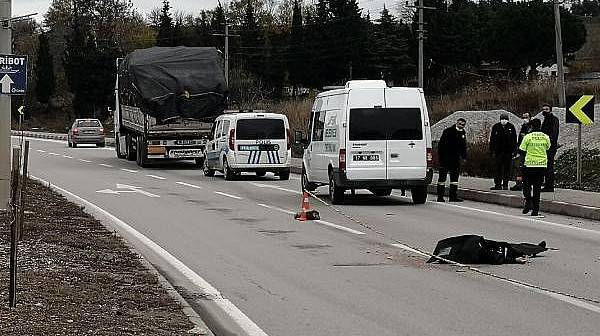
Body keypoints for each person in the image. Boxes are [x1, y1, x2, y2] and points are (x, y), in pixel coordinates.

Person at [519, 118, 551, 217]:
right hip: (541, 165)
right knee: (537, 188)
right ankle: (536, 210)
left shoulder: (528, 137)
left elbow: (521, 150)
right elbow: (548, 148)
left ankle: (528, 200)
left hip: (529, 164)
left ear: (531, 126)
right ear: (540, 126)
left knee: (526, 185)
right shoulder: (545, 137)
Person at [437, 118, 468, 202]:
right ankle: (440, 197)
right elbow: (441, 145)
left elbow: (463, 147)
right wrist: (441, 157)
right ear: (456, 123)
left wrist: (464, 157)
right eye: (460, 124)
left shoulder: (462, 133)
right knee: (442, 179)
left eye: (463, 124)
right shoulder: (448, 131)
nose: (461, 126)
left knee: (454, 179)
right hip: (445, 159)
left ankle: (453, 196)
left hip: (455, 159)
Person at [489, 113, 517, 190]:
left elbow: (514, 140)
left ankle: (505, 184)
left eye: (505, 119)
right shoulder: (496, 127)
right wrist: (491, 150)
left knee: (507, 169)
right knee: (498, 168)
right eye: (502, 119)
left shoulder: (511, 127)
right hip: (498, 152)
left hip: (508, 152)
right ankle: (497, 184)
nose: (503, 120)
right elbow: (492, 139)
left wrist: (514, 150)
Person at [510, 112, 533, 191]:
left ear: (530, 117)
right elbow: (520, 139)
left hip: (529, 151)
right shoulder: (523, 127)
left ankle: (527, 184)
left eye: (526, 117)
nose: (525, 119)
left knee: (527, 168)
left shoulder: (532, 127)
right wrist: (517, 149)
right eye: (523, 117)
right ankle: (519, 184)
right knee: (519, 168)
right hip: (522, 150)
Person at [540, 103, 559, 192]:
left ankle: (550, 186)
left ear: (550, 110)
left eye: (546, 109)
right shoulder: (545, 119)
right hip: (544, 147)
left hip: (550, 147)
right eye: (543, 109)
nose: (544, 111)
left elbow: (554, 133)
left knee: (549, 166)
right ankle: (547, 185)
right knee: (545, 166)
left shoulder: (554, 119)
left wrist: (548, 142)